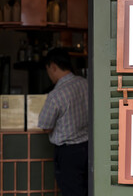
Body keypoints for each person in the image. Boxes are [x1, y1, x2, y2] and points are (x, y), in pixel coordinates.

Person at [38, 48, 88, 196]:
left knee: (72, 192)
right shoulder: (87, 84)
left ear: (53, 66)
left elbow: (45, 126)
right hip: (89, 148)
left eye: (48, 70)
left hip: (68, 154)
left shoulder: (56, 94)